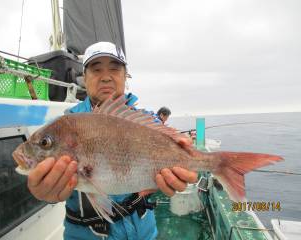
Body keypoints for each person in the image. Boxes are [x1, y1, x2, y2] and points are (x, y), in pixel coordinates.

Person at [27, 41, 197, 240]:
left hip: (144, 234)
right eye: (96, 69)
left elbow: (175, 151)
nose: (106, 77)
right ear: (85, 78)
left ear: (126, 76)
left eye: (115, 69)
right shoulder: (63, 126)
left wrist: (186, 159)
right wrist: (45, 193)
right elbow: (47, 181)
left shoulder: (148, 121)